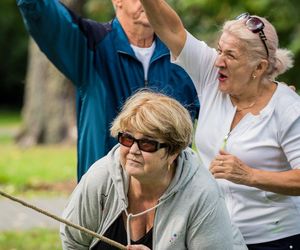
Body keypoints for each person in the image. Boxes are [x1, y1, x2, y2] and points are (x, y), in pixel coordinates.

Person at [139, 1, 300, 249]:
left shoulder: (288, 108)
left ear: (259, 67)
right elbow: (170, 28)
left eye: (231, 55)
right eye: (219, 50)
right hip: (215, 234)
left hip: (274, 239)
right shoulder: (210, 75)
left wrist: (250, 176)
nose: (218, 62)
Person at [16, 0, 199, 181]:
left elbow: (219, 117)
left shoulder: (184, 56)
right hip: (105, 197)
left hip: (172, 201)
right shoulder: (92, 46)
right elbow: (41, 11)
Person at [60, 90, 247, 250]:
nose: (133, 150)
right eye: (127, 138)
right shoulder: (101, 178)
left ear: (173, 152)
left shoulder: (202, 194)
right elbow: (73, 243)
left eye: (147, 143)